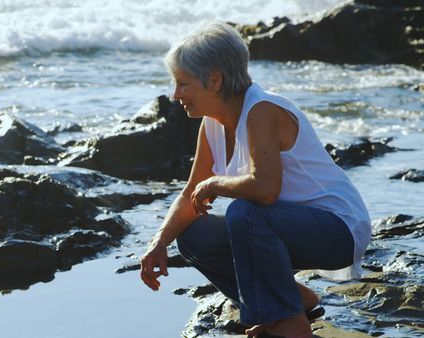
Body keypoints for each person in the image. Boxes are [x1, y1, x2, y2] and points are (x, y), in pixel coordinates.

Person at [139, 22, 371, 338]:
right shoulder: (211, 125)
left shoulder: (262, 110)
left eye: (183, 84)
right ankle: (293, 301)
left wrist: (216, 183)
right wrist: (158, 243)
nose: (175, 94)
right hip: (284, 227)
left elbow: (264, 189)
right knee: (194, 235)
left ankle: (287, 321)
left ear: (215, 80)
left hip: (337, 231)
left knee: (244, 212)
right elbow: (191, 193)